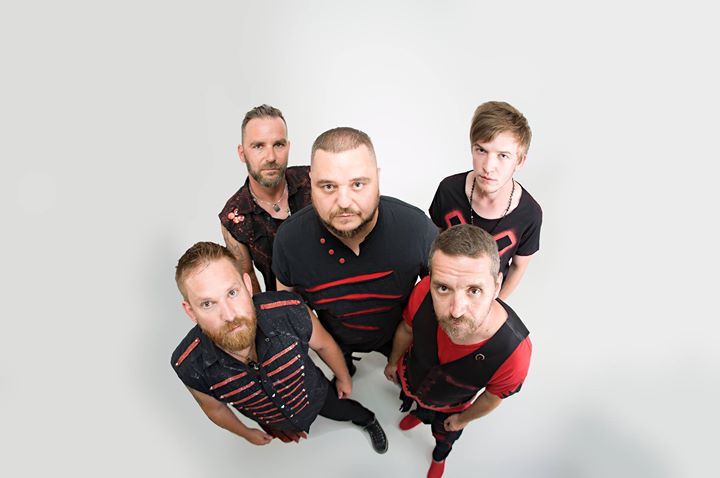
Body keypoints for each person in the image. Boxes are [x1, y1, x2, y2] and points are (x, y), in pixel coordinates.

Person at [171, 241, 387, 453]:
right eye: (207, 304)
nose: (229, 315)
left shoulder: (289, 310)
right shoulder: (189, 366)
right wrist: (247, 433)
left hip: (316, 394)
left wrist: (344, 378)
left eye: (232, 293)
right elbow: (215, 408)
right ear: (191, 312)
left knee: (347, 410)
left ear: (247, 285)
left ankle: (368, 420)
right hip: (272, 420)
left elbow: (324, 345)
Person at [272, 127, 437, 376]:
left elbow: (440, 292)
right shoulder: (289, 240)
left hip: (398, 334)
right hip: (335, 339)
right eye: (328, 186)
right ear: (310, 182)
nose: (344, 202)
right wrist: (331, 354)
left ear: (377, 178)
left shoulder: (417, 229)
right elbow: (289, 303)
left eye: (358, 184)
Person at [383, 225, 532, 478]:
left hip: (452, 406)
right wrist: (393, 361)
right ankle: (419, 413)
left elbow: (491, 398)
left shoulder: (514, 353)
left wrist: (463, 419)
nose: (456, 310)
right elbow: (407, 329)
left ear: (497, 286)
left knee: (444, 435)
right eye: (443, 288)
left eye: (474, 290)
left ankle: (439, 456)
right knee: (418, 406)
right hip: (412, 380)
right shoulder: (424, 290)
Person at [429, 101, 542, 299]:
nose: (488, 167)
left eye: (503, 156)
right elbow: (432, 242)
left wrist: (496, 304)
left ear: (520, 161)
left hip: (486, 304)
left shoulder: (529, 213)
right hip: (442, 295)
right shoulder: (449, 189)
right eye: (481, 150)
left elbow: (518, 266)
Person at [219, 104, 312, 294]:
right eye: (258, 146)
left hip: (337, 297)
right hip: (284, 306)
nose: (270, 157)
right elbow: (249, 284)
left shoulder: (313, 180)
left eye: (278, 145)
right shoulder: (235, 217)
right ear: (242, 153)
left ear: (288, 147)